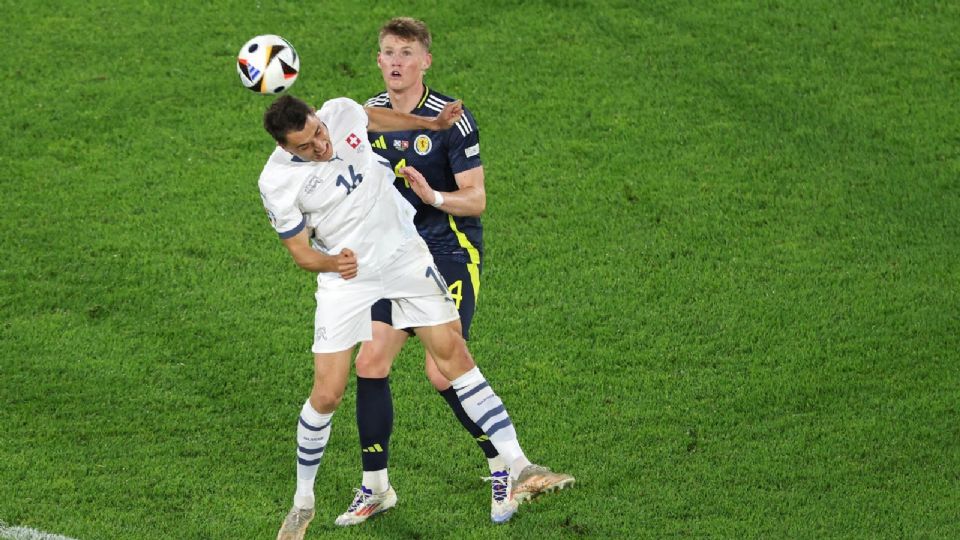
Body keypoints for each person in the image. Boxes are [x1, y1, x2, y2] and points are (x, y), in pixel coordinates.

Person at [258, 94, 575, 540]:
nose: (321, 145)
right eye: (307, 146)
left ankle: (522, 466)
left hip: (403, 254)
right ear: (287, 149)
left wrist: (430, 123)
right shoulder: (276, 182)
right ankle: (302, 504)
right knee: (327, 393)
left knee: (452, 354)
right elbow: (299, 252)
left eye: (319, 132)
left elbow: (376, 118)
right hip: (346, 276)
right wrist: (334, 264)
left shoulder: (341, 111)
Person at [333, 17, 511, 527]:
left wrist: (431, 196)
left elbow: (476, 199)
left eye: (406, 53)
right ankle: (376, 488)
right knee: (370, 362)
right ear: (378, 59)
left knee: (442, 368)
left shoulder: (452, 117)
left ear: (425, 62)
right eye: (388, 52)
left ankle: (503, 468)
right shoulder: (367, 118)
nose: (395, 61)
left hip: (449, 248)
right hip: (394, 254)